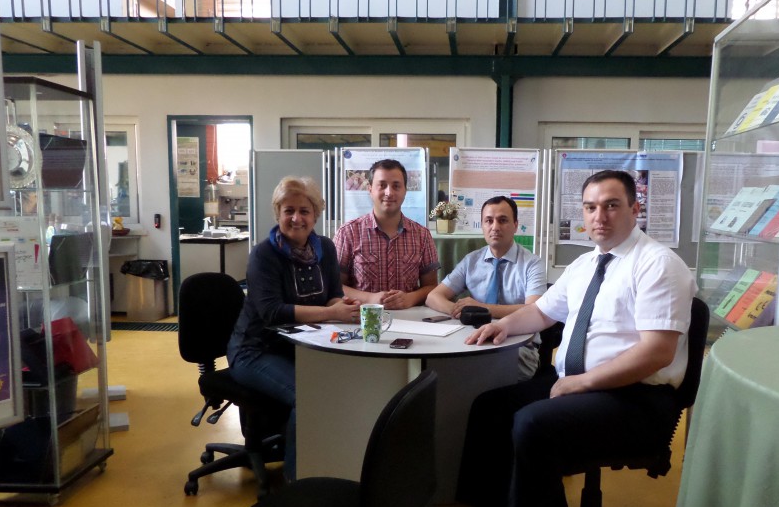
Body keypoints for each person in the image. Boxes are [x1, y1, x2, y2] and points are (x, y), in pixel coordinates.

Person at [425, 170, 697, 507]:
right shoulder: (585, 264)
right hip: (579, 385)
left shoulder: (658, 264)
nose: (599, 216)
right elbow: (541, 312)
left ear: (635, 209)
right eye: (590, 207)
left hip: (635, 398)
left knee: (533, 422)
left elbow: (657, 352)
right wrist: (503, 325)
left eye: (611, 205)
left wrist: (581, 383)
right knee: (490, 408)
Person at [227, 176, 361, 481]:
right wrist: (332, 313)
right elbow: (272, 312)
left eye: (304, 211)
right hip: (254, 351)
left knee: (343, 384)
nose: (296, 218)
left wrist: (344, 306)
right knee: (309, 395)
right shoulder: (264, 254)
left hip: (300, 345)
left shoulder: (325, 248)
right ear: (278, 213)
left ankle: (331, 465)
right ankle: (296, 482)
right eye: (289, 210)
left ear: (316, 215)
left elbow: (332, 295)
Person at [426, 195, 547, 379]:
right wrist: (462, 311)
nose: (495, 227)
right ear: (482, 225)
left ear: (515, 225)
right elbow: (433, 297)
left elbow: (535, 309)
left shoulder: (532, 264)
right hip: (474, 341)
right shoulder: (471, 260)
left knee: (466, 375)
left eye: (503, 220)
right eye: (489, 221)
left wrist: (483, 309)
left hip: (517, 347)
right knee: (439, 368)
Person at [334, 158, 440, 310]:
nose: (389, 193)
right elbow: (335, 287)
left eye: (396, 186)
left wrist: (410, 298)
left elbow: (431, 287)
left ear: (405, 191)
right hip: (363, 318)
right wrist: (370, 298)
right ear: (370, 189)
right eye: (382, 185)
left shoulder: (422, 235)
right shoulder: (347, 233)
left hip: (410, 319)